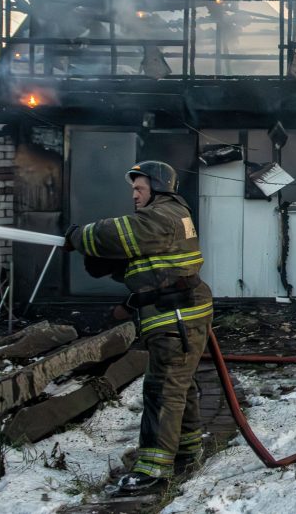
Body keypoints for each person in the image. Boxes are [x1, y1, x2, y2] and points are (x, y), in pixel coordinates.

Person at [64, 160, 212, 493]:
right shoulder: (169, 215)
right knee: (179, 386)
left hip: (177, 317)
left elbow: (115, 233)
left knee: (163, 390)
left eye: (139, 188)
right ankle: (186, 451)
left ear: (157, 186)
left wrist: (79, 237)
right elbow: (152, 263)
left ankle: (153, 471)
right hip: (177, 312)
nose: (134, 194)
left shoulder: (161, 216)